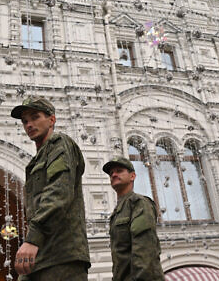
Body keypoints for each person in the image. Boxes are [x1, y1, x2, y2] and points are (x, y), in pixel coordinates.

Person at [11, 96, 90, 281]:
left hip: (62, 255)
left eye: (35, 117)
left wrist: (33, 238)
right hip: (41, 255)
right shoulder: (37, 159)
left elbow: (58, 192)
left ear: (52, 119)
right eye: (25, 121)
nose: (29, 124)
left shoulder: (60, 143)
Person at [103, 157, 164, 281]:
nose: (114, 175)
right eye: (111, 173)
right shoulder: (118, 211)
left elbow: (145, 251)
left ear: (132, 176)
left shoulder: (139, 203)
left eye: (119, 171)